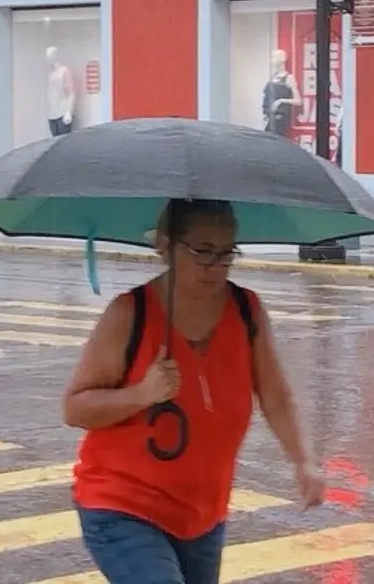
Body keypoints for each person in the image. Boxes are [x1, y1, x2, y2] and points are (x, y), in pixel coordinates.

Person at [63, 198, 325, 584]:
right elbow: (75, 408)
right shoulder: (129, 313)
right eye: (202, 252)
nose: (215, 267)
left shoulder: (246, 310)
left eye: (225, 253)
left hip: (202, 516)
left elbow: (277, 397)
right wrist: (142, 393)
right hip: (123, 506)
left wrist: (304, 460)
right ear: (165, 245)